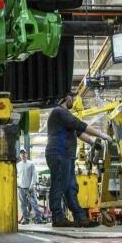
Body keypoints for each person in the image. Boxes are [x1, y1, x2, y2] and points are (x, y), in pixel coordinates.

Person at [45, 94, 108, 228]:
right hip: (59, 153)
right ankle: (58, 217)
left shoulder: (63, 115)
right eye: (72, 99)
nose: (73, 101)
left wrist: (92, 142)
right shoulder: (59, 112)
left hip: (66, 155)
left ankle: (80, 217)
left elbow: (78, 132)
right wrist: (100, 134)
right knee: (60, 184)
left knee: (71, 187)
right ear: (66, 98)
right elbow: (79, 125)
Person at [16, 148, 41, 224]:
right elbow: (17, 176)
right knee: (23, 205)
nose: (23, 155)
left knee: (34, 203)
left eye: (24, 153)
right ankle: (26, 219)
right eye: (21, 153)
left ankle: (38, 218)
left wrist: (32, 185)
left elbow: (34, 175)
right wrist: (18, 184)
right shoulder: (18, 165)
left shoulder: (31, 164)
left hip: (29, 188)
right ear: (20, 155)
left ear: (26, 154)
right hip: (21, 188)